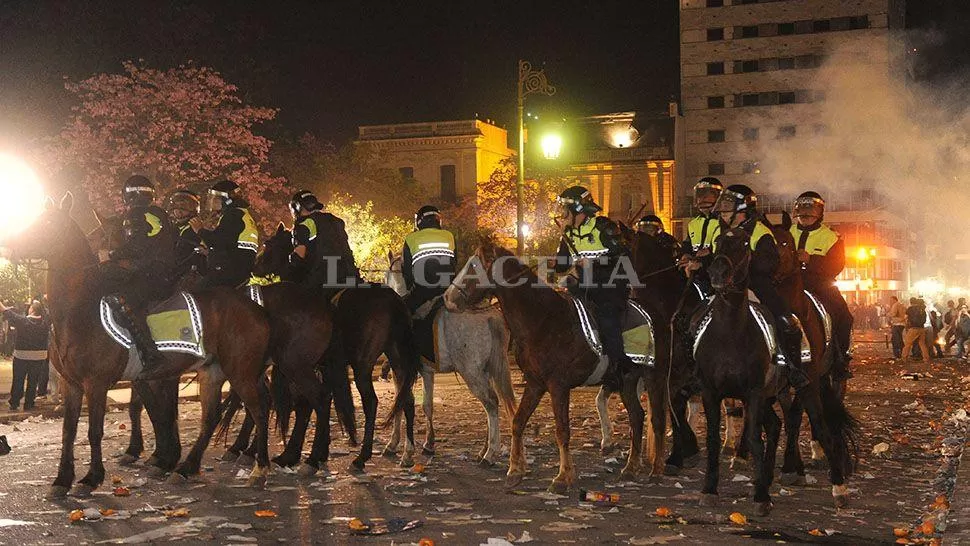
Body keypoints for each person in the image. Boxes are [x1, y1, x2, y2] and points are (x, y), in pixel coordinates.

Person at [713, 184, 809, 389]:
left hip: (756, 283)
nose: (722, 210)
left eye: (728, 206)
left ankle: (792, 366)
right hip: (723, 286)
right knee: (694, 318)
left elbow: (770, 262)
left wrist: (744, 266)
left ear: (742, 208)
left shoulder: (760, 231)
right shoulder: (718, 230)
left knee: (785, 318)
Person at [555, 186, 632, 391]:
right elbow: (561, 266)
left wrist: (594, 263)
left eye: (565, 209)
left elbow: (623, 255)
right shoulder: (569, 232)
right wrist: (562, 240)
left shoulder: (603, 226)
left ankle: (618, 368)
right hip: (583, 285)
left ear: (579, 209)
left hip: (610, 285)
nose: (561, 214)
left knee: (607, 317)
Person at [102, 175, 176, 373]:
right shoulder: (161, 214)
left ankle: (150, 353)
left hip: (149, 275)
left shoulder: (135, 214)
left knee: (122, 301)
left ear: (130, 195)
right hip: (165, 273)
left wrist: (110, 254)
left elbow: (136, 246)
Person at [790, 191, 853, 377]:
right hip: (790, 284)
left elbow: (836, 265)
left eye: (810, 211)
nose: (805, 215)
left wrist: (810, 260)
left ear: (820, 213)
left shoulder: (831, 236)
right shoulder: (786, 233)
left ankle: (841, 358)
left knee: (845, 317)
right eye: (802, 210)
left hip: (820, 285)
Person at [289, 190, 360, 299]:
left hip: (323, 278)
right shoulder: (336, 221)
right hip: (350, 275)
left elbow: (300, 254)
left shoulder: (304, 224)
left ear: (297, 207)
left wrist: (291, 261)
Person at [189, 180, 259, 289]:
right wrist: (209, 253)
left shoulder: (233, 215)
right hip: (239, 268)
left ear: (228, 200)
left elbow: (218, 242)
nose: (212, 201)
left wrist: (200, 230)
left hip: (229, 271)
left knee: (195, 294)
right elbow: (229, 245)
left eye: (216, 198)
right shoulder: (242, 214)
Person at [401, 205, 456, 316]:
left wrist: (410, 289)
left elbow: (407, 270)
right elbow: (454, 263)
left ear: (419, 221)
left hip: (422, 289)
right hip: (448, 288)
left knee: (400, 311)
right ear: (438, 220)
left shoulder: (411, 238)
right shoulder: (449, 236)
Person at [1, 299, 50, 411]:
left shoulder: (22, 321)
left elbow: (6, 312)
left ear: (31, 310)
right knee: (33, 381)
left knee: (18, 380)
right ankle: (29, 404)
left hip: (21, 356)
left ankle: (15, 403)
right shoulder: (45, 322)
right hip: (39, 357)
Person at [678, 177, 723, 293]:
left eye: (708, 195)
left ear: (719, 197)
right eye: (700, 195)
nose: (702, 199)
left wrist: (708, 253)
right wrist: (686, 254)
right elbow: (688, 243)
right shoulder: (693, 223)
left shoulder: (724, 221)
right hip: (694, 269)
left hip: (716, 271)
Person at [166, 189, 206, 278]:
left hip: (191, 274)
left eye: (184, 207)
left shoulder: (198, 228)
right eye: (177, 207)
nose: (179, 211)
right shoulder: (172, 228)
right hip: (172, 272)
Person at [901, 297, 930, 363]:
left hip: (913, 328)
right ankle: (926, 358)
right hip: (922, 329)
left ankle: (904, 357)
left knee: (907, 343)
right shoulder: (923, 310)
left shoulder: (910, 309)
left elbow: (905, 317)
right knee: (922, 344)